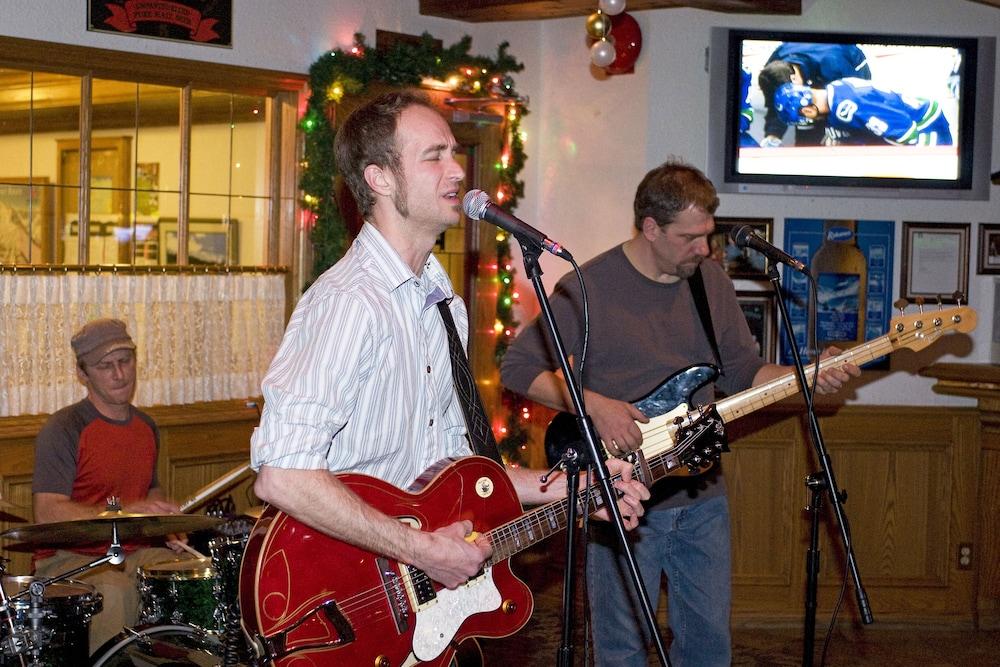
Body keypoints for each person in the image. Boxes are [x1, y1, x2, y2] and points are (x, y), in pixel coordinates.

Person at [249, 89, 649, 645]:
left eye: (454, 153)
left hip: (415, 604)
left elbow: (454, 471)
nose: (458, 170)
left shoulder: (443, 304)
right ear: (380, 179)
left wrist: (576, 487)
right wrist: (420, 550)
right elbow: (283, 475)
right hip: (344, 596)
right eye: (433, 156)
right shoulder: (348, 302)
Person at [500, 160, 860, 666]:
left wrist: (807, 375)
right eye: (690, 237)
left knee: (709, 643)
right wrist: (594, 405)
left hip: (701, 493)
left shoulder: (709, 281)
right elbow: (518, 366)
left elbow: (742, 372)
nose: (705, 249)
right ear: (650, 228)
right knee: (622, 647)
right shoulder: (590, 286)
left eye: (708, 236)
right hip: (621, 500)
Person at [33, 318, 185, 651]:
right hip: (70, 558)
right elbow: (47, 511)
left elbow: (150, 490)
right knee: (112, 592)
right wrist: (121, 513)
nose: (120, 373)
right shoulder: (64, 428)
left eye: (125, 361)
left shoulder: (146, 426)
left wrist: (166, 521)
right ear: (82, 374)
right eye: (106, 366)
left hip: (133, 551)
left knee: (188, 575)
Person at [773, 78, 953, 146]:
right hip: (914, 117)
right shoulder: (834, 89)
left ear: (807, 110)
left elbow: (906, 135)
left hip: (927, 127)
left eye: (803, 118)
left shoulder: (852, 106)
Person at [757, 42, 871, 146]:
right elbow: (777, 106)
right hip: (811, 67)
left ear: (794, 79)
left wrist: (836, 130)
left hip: (846, 66)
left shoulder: (833, 66)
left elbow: (856, 103)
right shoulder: (773, 68)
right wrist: (773, 135)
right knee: (806, 138)